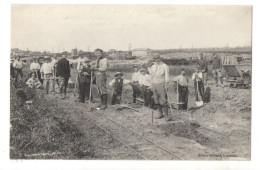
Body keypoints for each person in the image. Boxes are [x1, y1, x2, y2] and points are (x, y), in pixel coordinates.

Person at [149, 55, 170, 121]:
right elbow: (151, 76)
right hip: (154, 84)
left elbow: (167, 76)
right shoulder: (153, 66)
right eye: (155, 59)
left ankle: (166, 115)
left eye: (158, 58)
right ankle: (160, 114)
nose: (157, 60)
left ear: (160, 58)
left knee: (163, 100)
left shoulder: (164, 66)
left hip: (161, 84)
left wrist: (166, 84)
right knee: (156, 100)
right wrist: (151, 85)